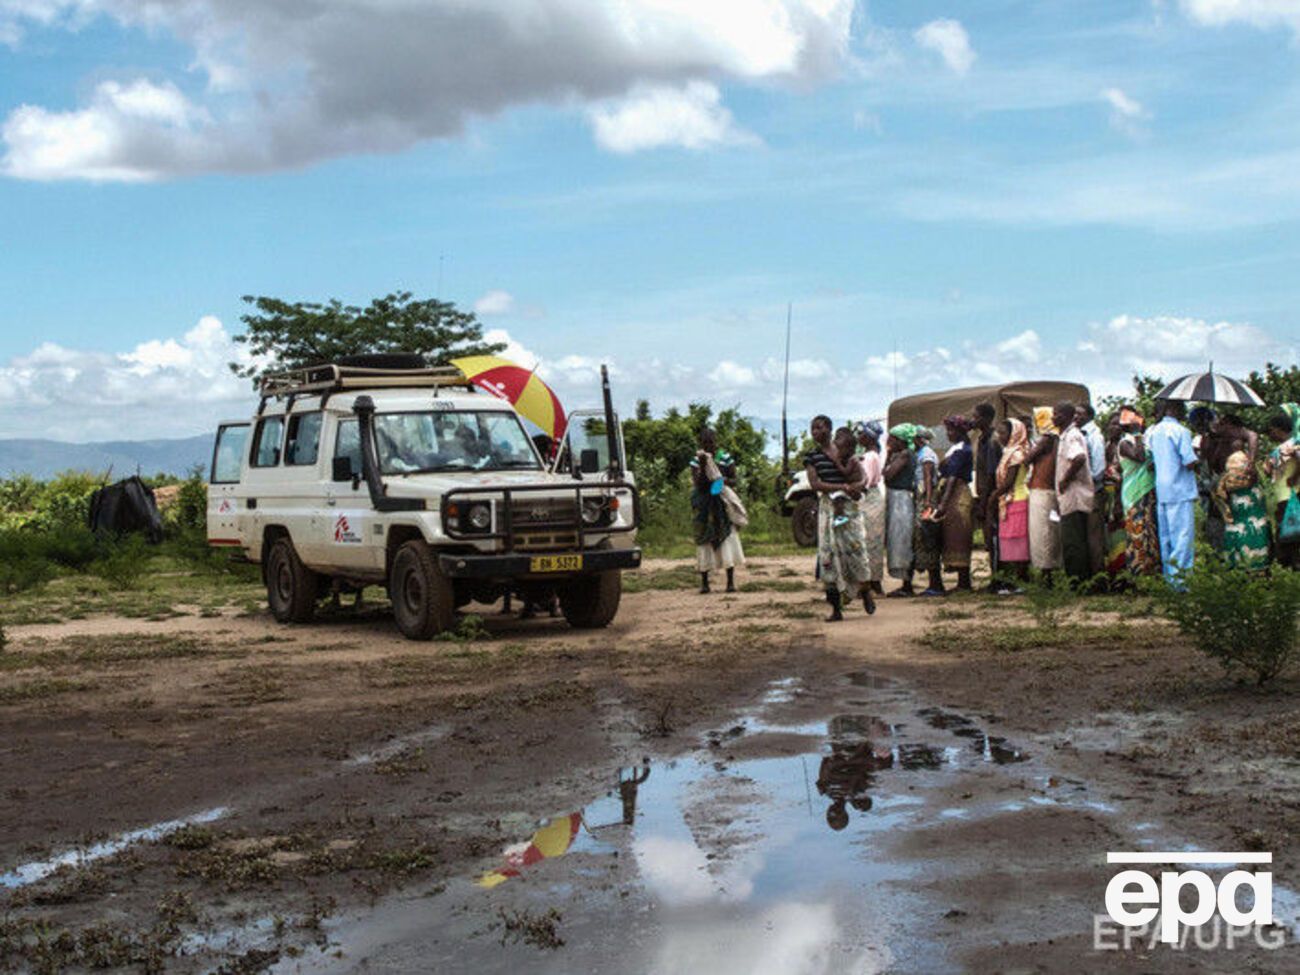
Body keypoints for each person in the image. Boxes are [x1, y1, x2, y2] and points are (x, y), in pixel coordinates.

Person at [805, 418, 874, 620]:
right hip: (828, 508)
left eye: (819, 427)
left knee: (856, 550)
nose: (816, 432)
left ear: (829, 429)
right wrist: (842, 487)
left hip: (848, 509)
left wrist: (856, 487)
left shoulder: (846, 449)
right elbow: (815, 484)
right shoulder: (812, 457)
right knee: (829, 554)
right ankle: (836, 608)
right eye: (813, 429)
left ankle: (865, 590)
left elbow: (862, 477)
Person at [1146, 400, 1199, 585]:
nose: (1184, 412)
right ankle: (1181, 582)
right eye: (1181, 408)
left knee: (1166, 537)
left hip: (1163, 489)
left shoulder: (1153, 432)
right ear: (1173, 409)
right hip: (1180, 489)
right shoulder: (1181, 431)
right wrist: (1199, 455)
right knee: (1183, 537)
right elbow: (1189, 461)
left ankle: (1170, 579)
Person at [690, 428, 743, 594]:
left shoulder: (725, 458)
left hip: (721, 503)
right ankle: (705, 582)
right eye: (705, 444)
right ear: (701, 444)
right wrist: (705, 465)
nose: (708, 447)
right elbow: (698, 483)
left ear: (716, 442)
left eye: (711, 443)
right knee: (704, 540)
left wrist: (722, 480)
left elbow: (734, 480)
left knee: (727, 537)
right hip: (704, 504)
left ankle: (730, 582)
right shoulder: (697, 460)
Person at [1115, 406, 1162, 578]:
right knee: (1137, 532)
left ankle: (1151, 571)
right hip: (1134, 493)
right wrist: (1137, 434)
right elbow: (1140, 457)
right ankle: (1137, 572)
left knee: (1149, 532)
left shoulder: (1143, 442)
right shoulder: (1125, 443)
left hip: (1147, 491)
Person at [1215, 434, 1271, 571]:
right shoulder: (1249, 462)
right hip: (1251, 498)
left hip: (1237, 500)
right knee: (1255, 528)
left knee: (1237, 528)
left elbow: (1224, 486)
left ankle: (1237, 564)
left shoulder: (1230, 462)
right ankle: (1257, 564)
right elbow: (1255, 477)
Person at [933, 414, 976, 591]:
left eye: (950, 430)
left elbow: (952, 477)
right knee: (953, 535)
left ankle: (964, 582)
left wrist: (943, 503)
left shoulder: (962, 450)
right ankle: (961, 580)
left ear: (959, 431)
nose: (948, 434)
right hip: (953, 495)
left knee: (959, 536)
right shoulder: (957, 448)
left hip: (957, 495)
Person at [1054, 401, 1094, 583]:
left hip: (1074, 496)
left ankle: (1078, 582)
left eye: (1057, 414)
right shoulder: (1066, 435)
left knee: (1073, 541)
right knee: (1074, 539)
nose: (1053, 417)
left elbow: (1079, 458)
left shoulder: (1072, 436)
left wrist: (1065, 479)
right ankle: (1080, 580)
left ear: (1066, 416)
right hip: (1071, 496)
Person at [989, 418, 1030, 591]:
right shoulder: (1009, 452)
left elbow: (1009, 481)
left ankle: (1021, 581)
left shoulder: (1016, 454)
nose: (999, 436)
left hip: (1017, 498)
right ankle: (1014, 580)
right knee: (1009, 543)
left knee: (1018, 542)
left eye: (1003, 433)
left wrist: (994, 495)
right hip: (1008, 500)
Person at [1025, 406, 1062, 577]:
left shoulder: (1047, 439)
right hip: (1049, 490)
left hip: (1042, 491)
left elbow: (1027, 458)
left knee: (1043, 532)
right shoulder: (1057, 438)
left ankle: (1046, 572)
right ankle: (1051, 570)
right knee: (1050, 530)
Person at [883, 425, 917, 597]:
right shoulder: (900, 454)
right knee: (899, 539)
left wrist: (889, 456)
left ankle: (907, 584)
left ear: (900, 440)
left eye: (892, 439)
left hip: (901, 500)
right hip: (896, 498)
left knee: (903, 539)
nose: (889, 442)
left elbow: (888, 476)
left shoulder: (905, 455)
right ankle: (906, 583)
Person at [971, 402, 1002, 589]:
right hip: (985, 493)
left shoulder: (992, 441)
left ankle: (998, 579)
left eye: (976, 417)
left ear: (986, 419)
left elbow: (991, 474)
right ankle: (995, 576)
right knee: (988, 538)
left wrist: (984, 503)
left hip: (990, 496)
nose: (973, 420)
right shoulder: (982, 439)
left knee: (993, 537)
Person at [1264, 406, 1300, 568]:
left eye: (1271, 430)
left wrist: (1295, 476)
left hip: (1288, 495)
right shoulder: (1288, 446)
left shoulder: (1290, 446)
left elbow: (1267, 471)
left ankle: (1288, 565)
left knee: (1286, 531)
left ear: (1279, 430)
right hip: (1287, 494)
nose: (1270, 434)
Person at [855, 421, 887, 595]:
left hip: (868, 499)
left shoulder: (869, 457)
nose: (859, 437)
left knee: (867, 542)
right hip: (874, 498)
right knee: (874, 542)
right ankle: (875, 581)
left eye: (861, 434)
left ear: (868, 437)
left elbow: (864, 481)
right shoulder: (874, 455)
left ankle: (867, 582)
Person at [912, 427, 945, 596]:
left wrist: (927, 501)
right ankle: (934, 583)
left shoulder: (926, 455)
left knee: (928, 537)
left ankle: (936, 584)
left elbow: (927, 478)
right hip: (925, 498)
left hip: (926, 499)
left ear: (919, 439)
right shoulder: (924, 453)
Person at [1076, 404, 1108, 575]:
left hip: (1093, 490)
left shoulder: (1094, 436)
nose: (1076, 417)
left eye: (1080, 414)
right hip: (1083, 491)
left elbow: (1099, 468)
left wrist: (1088, 481)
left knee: (1094, 535)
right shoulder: (1079, 434)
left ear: (1089, 416)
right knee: (1085, 533)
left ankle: (1098, 576)